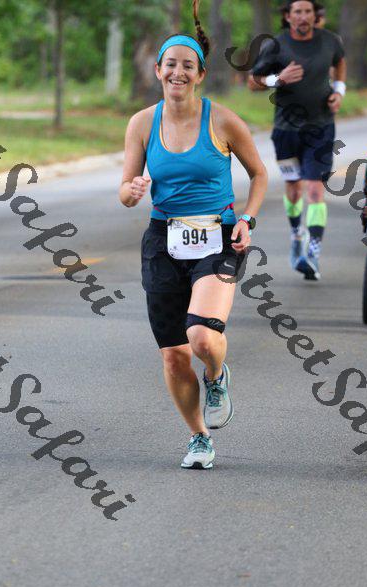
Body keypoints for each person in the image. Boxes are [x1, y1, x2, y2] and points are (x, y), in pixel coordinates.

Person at [119, 0, 267, 469]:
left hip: (218, 236)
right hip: (163, 240)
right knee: (174, 356)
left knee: (202, 337)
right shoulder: (142, 123)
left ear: (200, 74)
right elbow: (125, 191)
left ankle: (217, 375)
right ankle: (199, 438)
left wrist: (247, 219)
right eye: (170, 64)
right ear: (157, 70)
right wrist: (133, 190)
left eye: (188, 65)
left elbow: (259, 174)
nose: (177, 72)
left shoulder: (222, 120)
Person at [248, 0, 347, 281]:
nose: (303, 16)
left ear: (315, 15)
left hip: (321, 128)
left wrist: (339, 91)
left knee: (315, 189)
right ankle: (296, 235)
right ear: (288, 16)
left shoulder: (330, 41)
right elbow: (253, 81)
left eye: (308, 11)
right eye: (298, 12)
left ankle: (312, 254)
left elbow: (340, 62)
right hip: (286, 131)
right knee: (293, 189)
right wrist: (278, 79)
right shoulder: (276, 46)